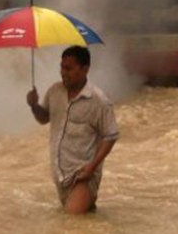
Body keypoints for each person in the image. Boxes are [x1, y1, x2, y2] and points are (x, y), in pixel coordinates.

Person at [26, 46, 119, 214]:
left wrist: (92, 167)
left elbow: (110, 135)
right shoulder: (55, 91)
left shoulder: (98, 100)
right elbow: (43, 118)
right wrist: (33, 105)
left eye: (68, 68)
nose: (63, 72)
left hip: (83, 177)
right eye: (61, 67)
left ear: (85, 69)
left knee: (71, 223)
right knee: (79, 228)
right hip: (60, 176)